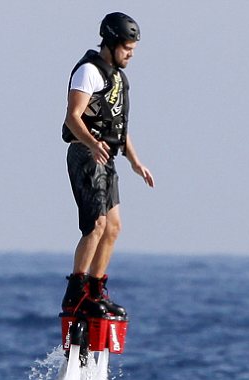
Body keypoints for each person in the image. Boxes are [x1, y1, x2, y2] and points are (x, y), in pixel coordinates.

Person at [61, 12, 154, 319]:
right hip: (85, 154)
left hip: (106, 156)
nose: (130, 54)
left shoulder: (116, 77)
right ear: (112, 43)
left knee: (113, 227)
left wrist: (136, 161)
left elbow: (117, 128)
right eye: (127, 48)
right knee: (96, 225)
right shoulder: (88, 71)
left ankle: (95, 290)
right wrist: (91, 143)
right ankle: (75, 294)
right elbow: (73, 117)